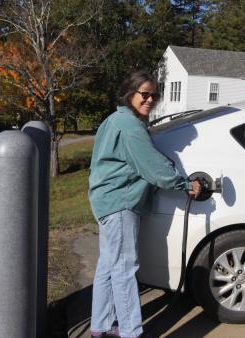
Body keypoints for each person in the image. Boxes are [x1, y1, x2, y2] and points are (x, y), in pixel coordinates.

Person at [88, 71, 201, 338]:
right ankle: (131, 332)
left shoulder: (115, 120)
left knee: (108, 266)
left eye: (154, 95)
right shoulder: (130, 126)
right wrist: (185, 185)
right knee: (125, 269)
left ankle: (101, 327)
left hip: (106, 201)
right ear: (130, 94)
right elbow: (152, 166)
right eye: (144, 94)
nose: (150, 99)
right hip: (120, 203)